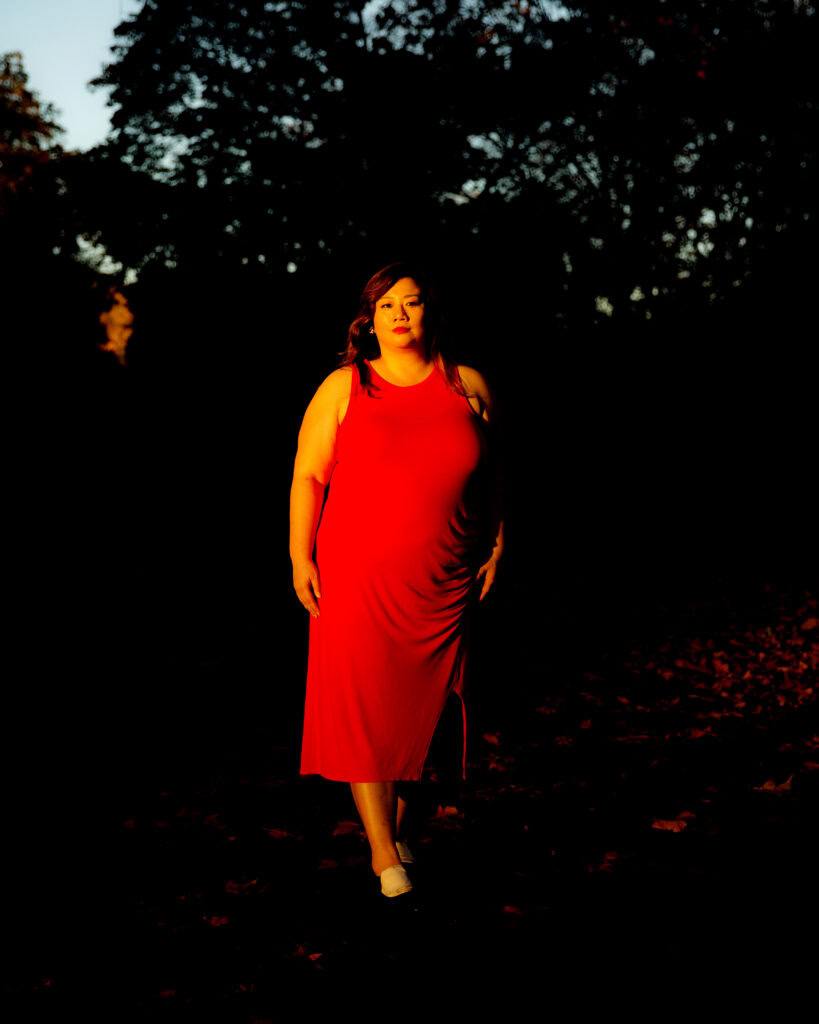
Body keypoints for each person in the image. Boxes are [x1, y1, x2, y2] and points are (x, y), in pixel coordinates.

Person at [289, 261, 504, 898]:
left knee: (430, 716)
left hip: (446, 575)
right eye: (387, 305)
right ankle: (384, 853)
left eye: (411, 302)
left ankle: (399, 832)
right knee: (365, 712)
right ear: (370, 320)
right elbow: (309, 474)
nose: (400, 314)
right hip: (356, 574)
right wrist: (300, 557)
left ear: (431, 311)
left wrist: (497, 544)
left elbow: (495, 477)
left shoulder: (468, 385)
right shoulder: (345, 386)